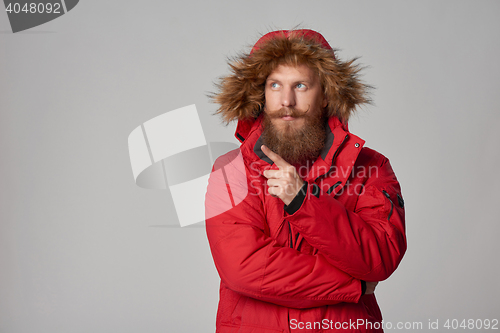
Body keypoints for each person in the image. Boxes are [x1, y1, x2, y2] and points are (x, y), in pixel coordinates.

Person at [205, 29, 406, 333]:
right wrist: (354, 285)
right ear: (260, 94)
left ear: (326, 95)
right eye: (275, 85)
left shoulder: (372, 168)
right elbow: (244, 267)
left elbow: (380, 257)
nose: (287, 100)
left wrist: (303, 201)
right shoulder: (230, 171)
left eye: (300, 85)